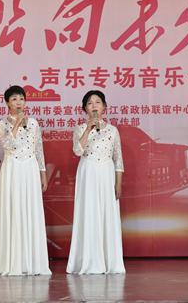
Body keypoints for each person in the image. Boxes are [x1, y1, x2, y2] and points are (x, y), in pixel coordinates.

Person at [0, 85, 51, 276]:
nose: (19, 103)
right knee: (15, 210)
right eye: (14, 99)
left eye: (21, 99)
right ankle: (13, 262)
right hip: (13, 169)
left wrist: (43, 174)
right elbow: (8, 144)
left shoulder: (33, 123)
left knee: (31, 210)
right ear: (7, 103)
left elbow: (39, 149)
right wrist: (17, 124)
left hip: (30, 169)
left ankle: (33, 262)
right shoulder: (2, 124)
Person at [66, 90, 125, 274]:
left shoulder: (113, 130)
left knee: (107, 214)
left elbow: (118, 159)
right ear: (85, 108)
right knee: (89, 213)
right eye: (90, 103)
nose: (94, 106)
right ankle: (89, 261)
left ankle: (109, 261)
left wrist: (118, 183)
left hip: (107, 173)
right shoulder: (80, 129)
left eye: (98, 102)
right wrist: (88, 129)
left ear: (104, 107)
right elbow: (77, 151)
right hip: (88, 172)